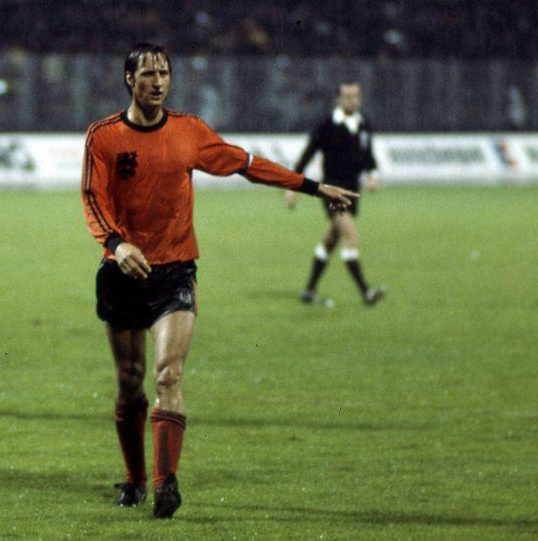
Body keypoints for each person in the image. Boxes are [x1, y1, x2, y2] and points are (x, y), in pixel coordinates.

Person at [81, 43, 357, 519]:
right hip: (122, 272)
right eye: (148, 74)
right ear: (129, 79)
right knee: (129, 382)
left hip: (174, 272)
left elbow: (247, 164)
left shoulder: (189, 132)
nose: (158, 82)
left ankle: (166, 484)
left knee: (168, 373)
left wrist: (312, 186)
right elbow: (92, 197)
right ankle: (135, 479)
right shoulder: (103, 137)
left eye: (164, 73)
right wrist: (116, 244)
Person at [284, 81, 385, 305]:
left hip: (353, 192)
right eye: (348, 96)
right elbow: (307, 155)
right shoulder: (326, 125)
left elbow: (368, 155)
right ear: (339, 99)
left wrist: (372, 174)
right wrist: (293, 187)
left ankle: (309, 291)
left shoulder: (364, 123)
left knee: (330, 240)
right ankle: (366, 292)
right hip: (331, 191)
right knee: (351, 236)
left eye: (356, 96)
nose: (353, 101)